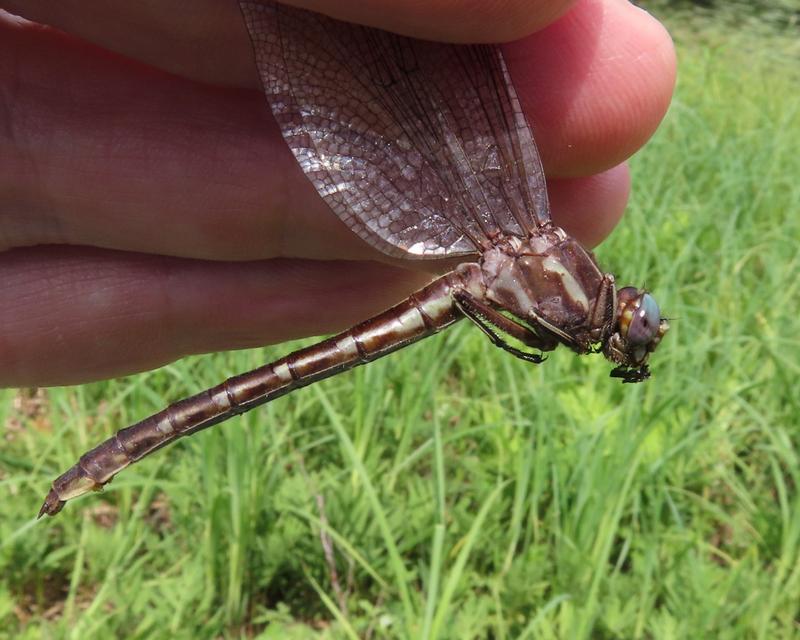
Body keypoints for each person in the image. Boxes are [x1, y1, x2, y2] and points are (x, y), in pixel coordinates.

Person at [0, 0, 676, 387]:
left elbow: (530, 333)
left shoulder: (565, 295)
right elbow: (530, 332)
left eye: (636, 329)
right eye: (636, 323)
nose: (634, 329)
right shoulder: (550, 265)